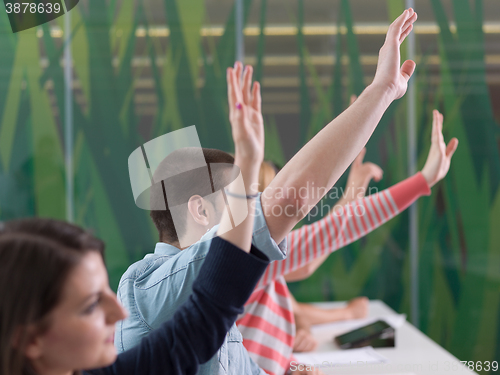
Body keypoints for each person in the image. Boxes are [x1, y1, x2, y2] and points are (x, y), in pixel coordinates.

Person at [116, 9, 419, 375]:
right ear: (200, 211)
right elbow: (290, 203)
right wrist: (381, 92)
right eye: (241, 196)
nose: (252, 205)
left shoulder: (216, 307)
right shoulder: (148, 290)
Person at [0, 62, 271, 375]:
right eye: (90, 306)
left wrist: (249, 161)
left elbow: (208, 316)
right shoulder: (147, 284)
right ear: (31, 339)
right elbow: (213, 302)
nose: (118, 312)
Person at [237, 109, 458, 374]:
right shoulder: (248, 256)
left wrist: (288, 367)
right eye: (277, 200)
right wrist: (422, 181)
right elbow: (337, 229)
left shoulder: (248, 260)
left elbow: (313, 252)